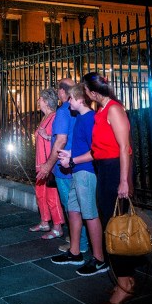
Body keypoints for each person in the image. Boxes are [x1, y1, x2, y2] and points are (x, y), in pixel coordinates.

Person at [82, 72, 144, 304]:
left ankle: (125, 285)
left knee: (116, 226)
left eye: (86, 91)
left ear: (93, 92)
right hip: (105, 170)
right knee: (112, 224)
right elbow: (99, 149)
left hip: (116, 170)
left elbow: (125, 147)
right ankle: (125, 278)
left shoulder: (114, 110)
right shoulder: (101, 111)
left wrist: (124, 181)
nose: (86, 95)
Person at [54, 84, 108, 276]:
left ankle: (100, 259)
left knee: (90, 214)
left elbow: (96, 152)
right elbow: (84, 146)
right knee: (73, 210)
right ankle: (75, 252)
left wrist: (72, 159)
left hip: (86, 172)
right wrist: (69, 153)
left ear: (78, 99)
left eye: (70, 99)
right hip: (77, 170)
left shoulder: (90, 119)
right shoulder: (81, 118)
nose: (67, 102)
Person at [39, 78, 89, 253]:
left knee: (71, 207)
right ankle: (79, 238)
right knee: (80, 205)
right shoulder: (80, 109)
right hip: (79, 163)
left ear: (62, 92)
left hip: (64, 165)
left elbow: (60, 140)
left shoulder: (63, 111)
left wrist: (48, 165)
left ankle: (79, 244)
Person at [30, 88, 65, 239]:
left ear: (45, 101)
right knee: (40, 194)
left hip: (48, 164)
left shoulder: (55, 117)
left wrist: (47, 136)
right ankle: (45, 221)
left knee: (51, 196)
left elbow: (60, 139)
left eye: (40, 99)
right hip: (40, 163)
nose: (38, 101)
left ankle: (57, 226)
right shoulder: (45, 117)